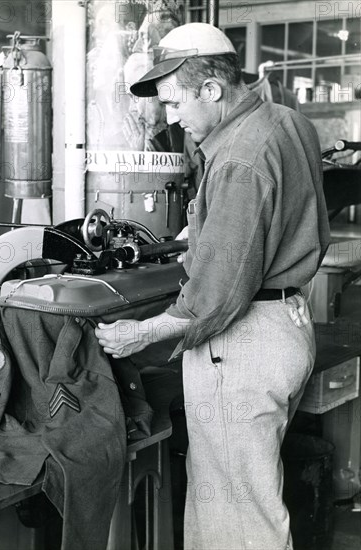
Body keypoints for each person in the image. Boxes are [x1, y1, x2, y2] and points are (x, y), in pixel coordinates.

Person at [96, 22, 330, 550]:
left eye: (175, 103)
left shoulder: (241, 159)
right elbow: (277, 220)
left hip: (242, 346)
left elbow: (217, 297)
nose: (171, 117)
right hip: (288, 324)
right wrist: (200, 230)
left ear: (212, 89)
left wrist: (140, 334)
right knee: (232, 495)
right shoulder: (287, 122)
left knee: (240, 515)